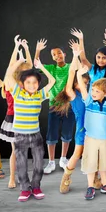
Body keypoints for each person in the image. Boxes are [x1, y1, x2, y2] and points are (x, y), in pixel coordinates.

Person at [4, 56, 55, 202]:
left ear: (38, 84)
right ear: (23, 84)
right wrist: (19, 62)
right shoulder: (17, 93)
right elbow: (8, 75)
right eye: (28, 82)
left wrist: (42, 67)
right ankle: (25, 189)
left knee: (39, 163)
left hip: (36, 135)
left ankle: (36, 186)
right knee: (21, 164)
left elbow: (52, 81)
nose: (32, 85)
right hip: (20, 135)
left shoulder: (40, 95)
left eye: (35, 82)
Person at [76, 66, 106, 200]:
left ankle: (105, 185)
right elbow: (83, 88)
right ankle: (90, 187)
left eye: (97, 91)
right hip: (91, 139)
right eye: (93, 90)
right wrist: (79, 73)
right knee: (90, 162)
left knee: (105, 163)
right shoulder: (89, 101)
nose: (93, 93)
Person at [57, 44, 93, 194]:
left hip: (94, 128)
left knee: (92, 154)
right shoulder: (72, 94)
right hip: (82, 128)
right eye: (82, 83)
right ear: (75, 83)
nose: (85, 84)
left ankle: (95, 178)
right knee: (77, 153)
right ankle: (66, 176)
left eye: (87, 83)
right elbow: (72, 71)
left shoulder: (89, 93)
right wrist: (75, 56)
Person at [35, 38, 73, 174]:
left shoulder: (70, 67)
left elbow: (78, 67)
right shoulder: (51, 68)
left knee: (67, 133)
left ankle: (63, 158)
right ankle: (51, 162)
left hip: (68, 105)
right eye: (54, 55)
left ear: (64, 54)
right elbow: (37, 65)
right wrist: (38, 50)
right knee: (51, 134)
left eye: (59, 53)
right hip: (53, 106)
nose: (57, 56)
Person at [0, 35, 33, 189]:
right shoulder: (10, 83)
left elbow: (30, 65)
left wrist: (25, 49)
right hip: (14, 119)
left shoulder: (26, 84)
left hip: (25, 118)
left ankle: (22, 176)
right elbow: (10, 66)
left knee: (23, 150)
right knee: (16, 150)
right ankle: (12, 177)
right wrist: (16, 48)